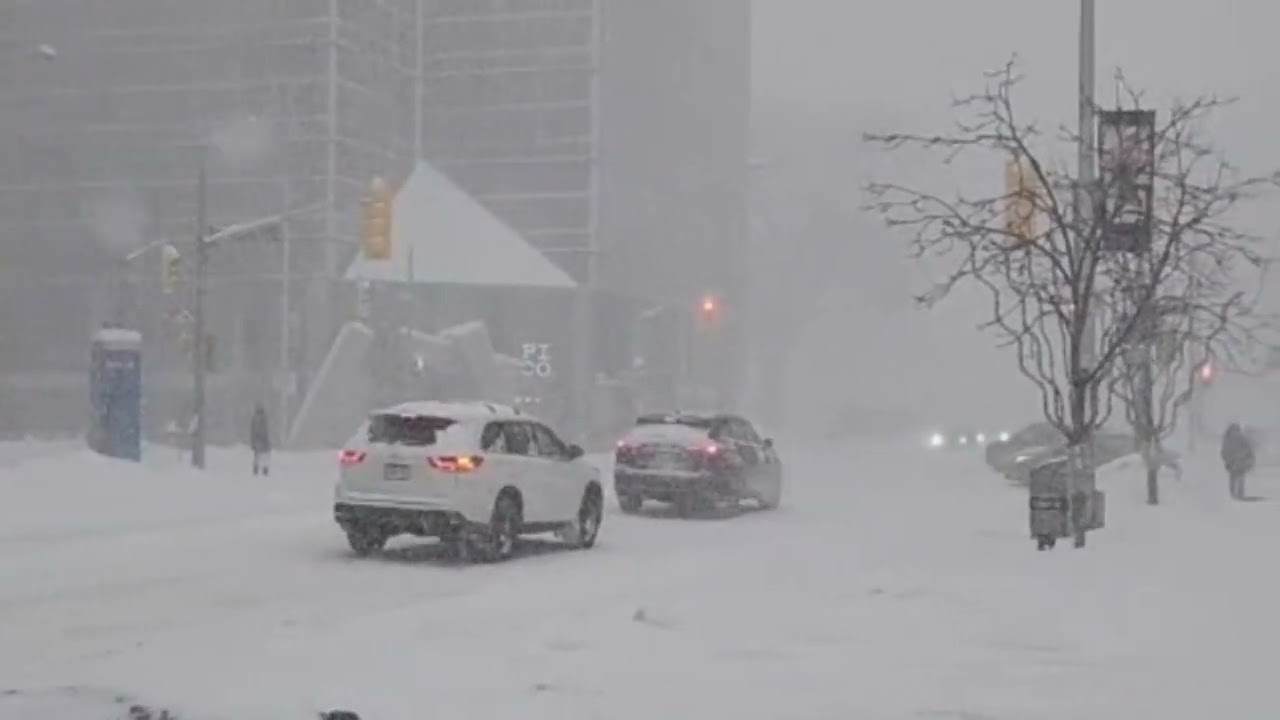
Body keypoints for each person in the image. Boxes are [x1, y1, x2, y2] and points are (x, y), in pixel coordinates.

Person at [1221, 422, 1255, 500]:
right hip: (1241, 461)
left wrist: (1227, 460)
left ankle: (1232, 494)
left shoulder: (1227, 438)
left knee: (1232, 478)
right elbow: (1249, 448)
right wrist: (1247, 457)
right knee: (1240, 477)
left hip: (1231, 462)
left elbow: (1223, 452)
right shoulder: (1242, 437)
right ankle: (1240, 494)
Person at [250, 404, 271, 476]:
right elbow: (265, 430)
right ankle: (265, 469)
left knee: (257, 455)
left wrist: (252, 441)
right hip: (262, 439)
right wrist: (266, 439)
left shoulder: (254, 418)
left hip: (256, 439)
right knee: (265, 455)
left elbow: (252, 431)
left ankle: (256, 469)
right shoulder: (263, 418)